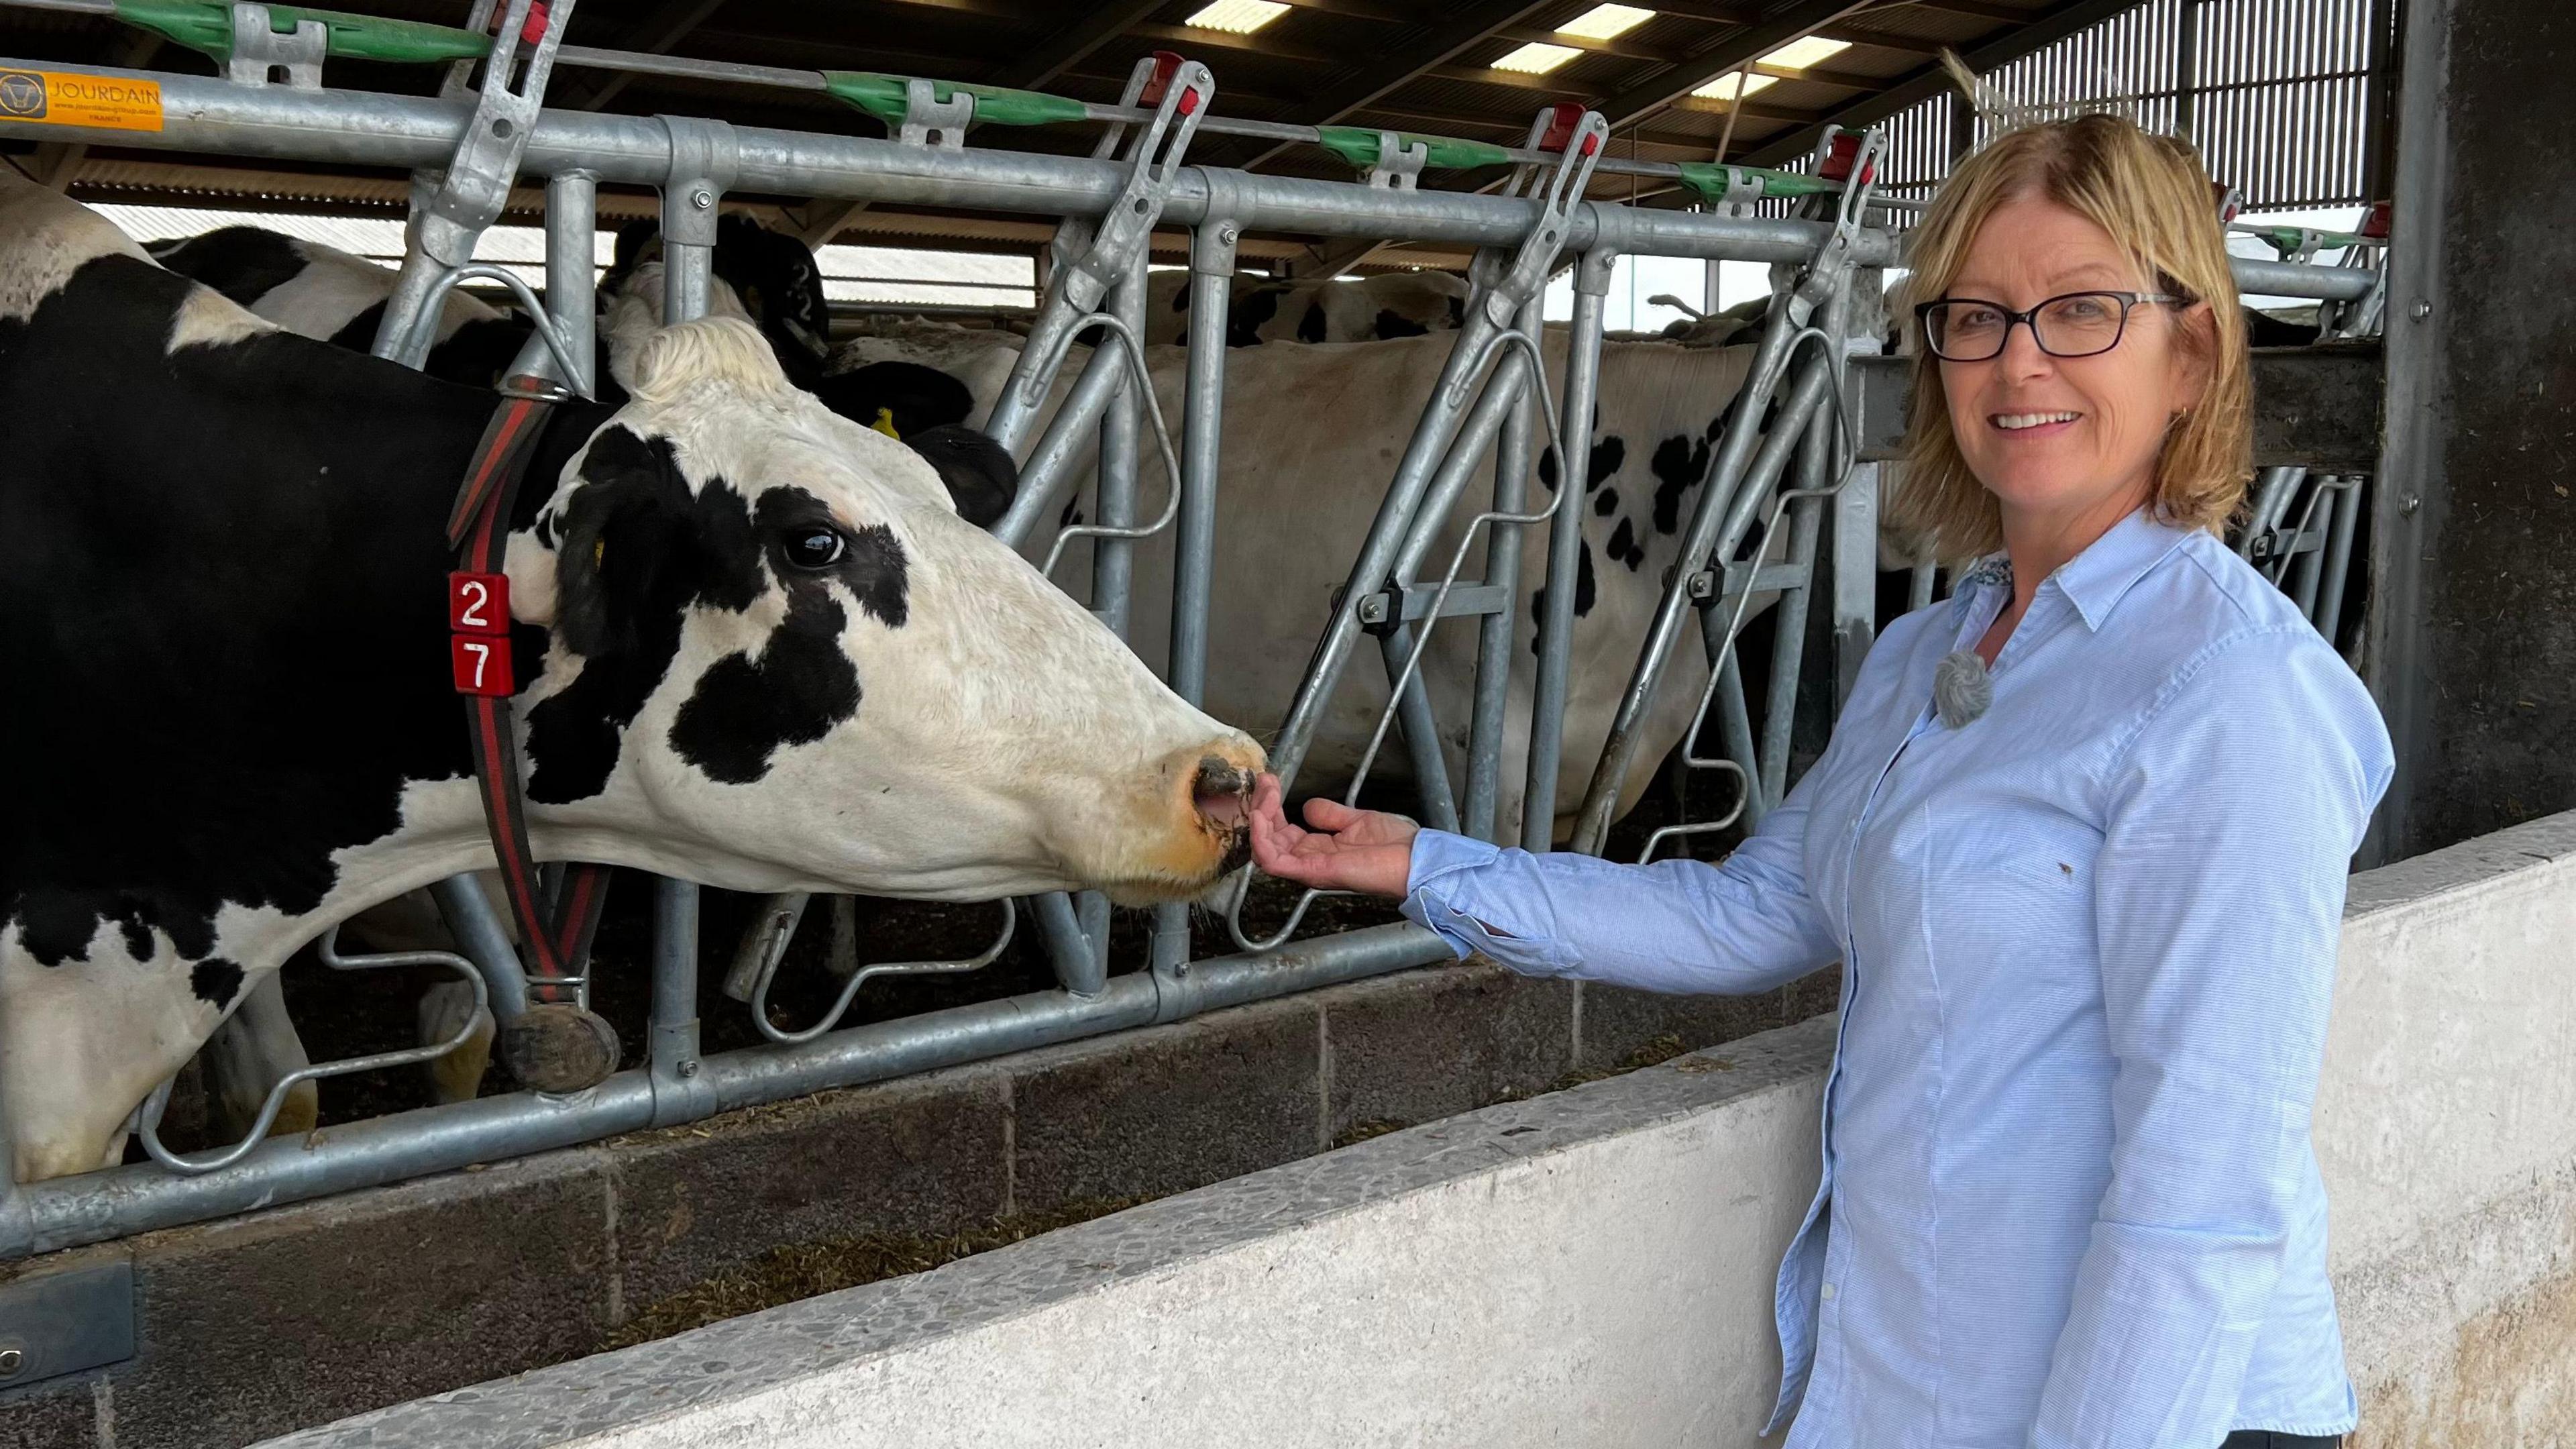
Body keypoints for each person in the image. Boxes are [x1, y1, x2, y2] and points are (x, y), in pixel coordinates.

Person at [1247, 113, 2393, 1449]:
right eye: (1975, 317)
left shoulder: (2228, 698)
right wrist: (1429, 866)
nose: (2019, 362)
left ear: (2190, 354)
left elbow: (2203, 1197)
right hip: (1920, 1381)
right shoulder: (1932, 654)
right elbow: (1755, 914)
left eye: (2082, 311)